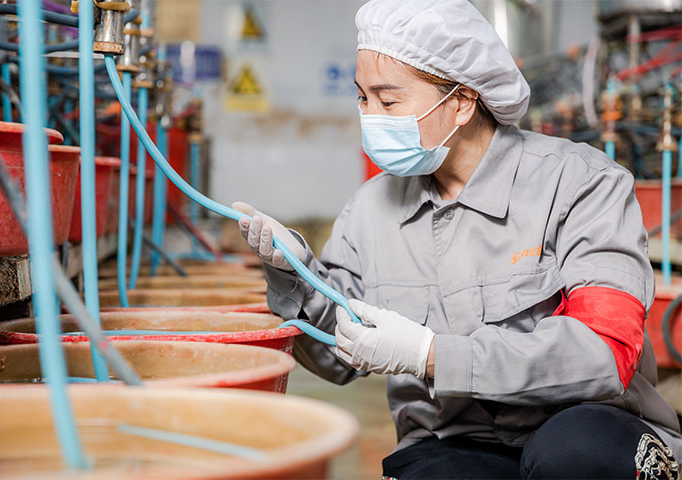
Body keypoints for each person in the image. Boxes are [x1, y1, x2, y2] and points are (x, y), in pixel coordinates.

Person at [233, 0, 681, 478]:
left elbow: (603, 352)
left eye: (388, 101)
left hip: (589, 425)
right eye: (363, 98)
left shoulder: (581, 184)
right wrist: (293, 275)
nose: (370, 116)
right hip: (452, 439)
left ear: (463, 102)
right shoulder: (369, 210)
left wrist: (432, 357)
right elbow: (335, 358)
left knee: (575, 453)